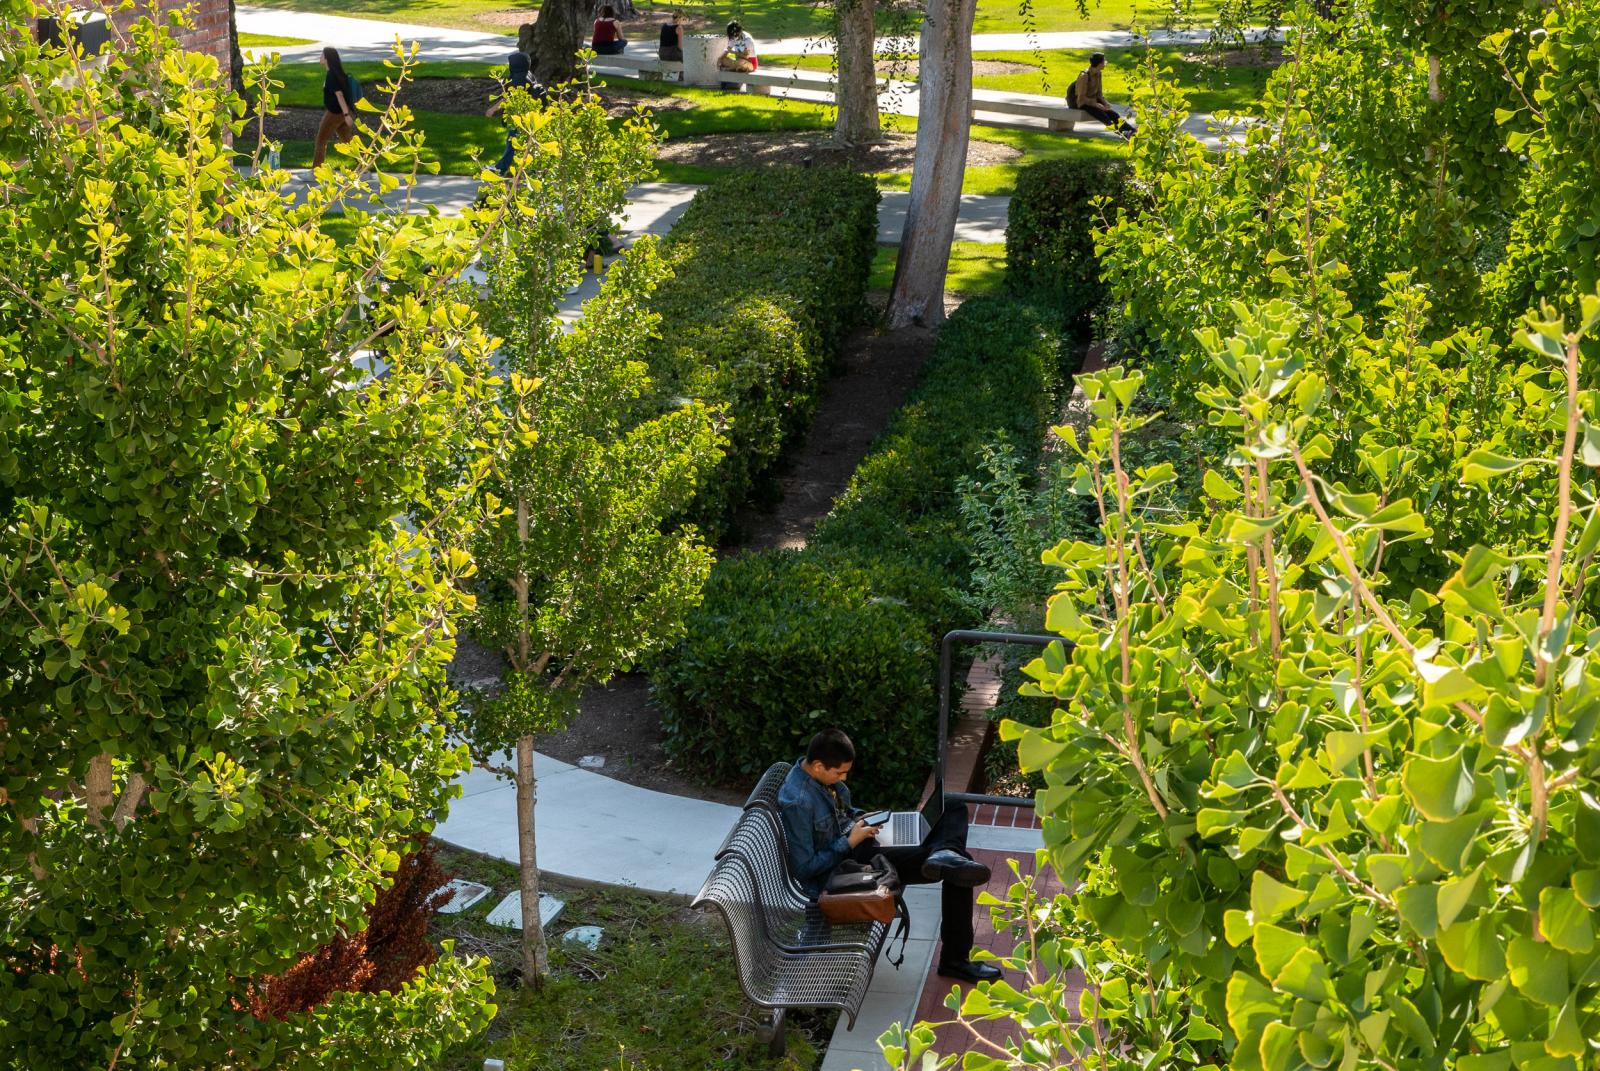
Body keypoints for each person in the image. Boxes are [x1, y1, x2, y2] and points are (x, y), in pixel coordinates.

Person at [776, 728, 1003, 985]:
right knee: (958, 869)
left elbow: (844, 813)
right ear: (818, 766)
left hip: (860, 843)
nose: (844, 778)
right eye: (839, 773)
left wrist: (861, 818)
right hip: (847, 868)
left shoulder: (819, 779)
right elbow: (804, 868)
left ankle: (945, 852)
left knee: (951, 805)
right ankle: (955, 959)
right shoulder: (798, 802)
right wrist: (850, 840)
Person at [485, 50, 538, 175]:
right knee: (524, 144)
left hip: (519, 117)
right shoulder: (528, 75)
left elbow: (507, 98)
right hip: (529, 116)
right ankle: (533, 169)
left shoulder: (518, 80)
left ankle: (500, 168)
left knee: (512, 143)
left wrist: (492, 109)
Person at [1070, 52, 1136, 138]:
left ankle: (1132, 130)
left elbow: (1099, 94)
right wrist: (1096, 104)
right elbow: (1081, 97)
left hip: (1091, 100)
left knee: (1113, 114)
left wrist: (1105, 103)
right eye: (1104, 61)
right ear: (1099, 63)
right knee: (1104, 116)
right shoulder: (1084, 76)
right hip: (1080, 102)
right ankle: (1123, 134)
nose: (1105, 63)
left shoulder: (1098, 73)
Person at [313, 46, 356, 169]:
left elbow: (340, 95)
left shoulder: (332, 75)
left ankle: (316, 171)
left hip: (335, 113)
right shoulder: (334, 73)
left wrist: (347, 115)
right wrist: (346, 114)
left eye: (322, 55)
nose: (320, 57)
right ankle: (363, 168)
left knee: (321, 140)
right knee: (348, 140)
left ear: (327, 58)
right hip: (340, 113)